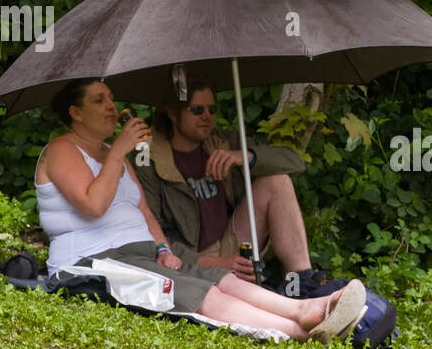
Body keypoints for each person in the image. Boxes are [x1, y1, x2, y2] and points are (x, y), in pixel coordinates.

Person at [34, 78, 365, 342]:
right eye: (99, 100)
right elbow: (93, 205)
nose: (112, 106)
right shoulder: (63, 149)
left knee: (224, 280)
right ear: (76, 113)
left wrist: (162, 248)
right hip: (98, 260)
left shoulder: (115, 153)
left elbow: (144, 213)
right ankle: (301, 332)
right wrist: (121, 150)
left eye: (110, 98)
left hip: (145, 254)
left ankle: (305, 307)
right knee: (199, 292)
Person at [135, 80, 326, 292]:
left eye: (212, 109)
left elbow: (295, 162)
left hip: (232, 239)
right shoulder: (147, 158)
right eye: (197, 110)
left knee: (276, 181)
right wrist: (215, 263)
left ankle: (301, 283)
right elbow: (151, 232)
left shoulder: (223, 141)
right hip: (193, 257)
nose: (207, 116)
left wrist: (245, 156)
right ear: (172, 114)